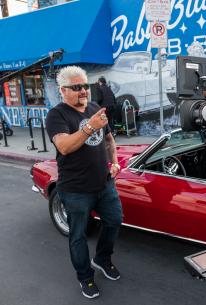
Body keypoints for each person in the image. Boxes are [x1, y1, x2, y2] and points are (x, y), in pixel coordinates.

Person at [46, 66, 123, 299]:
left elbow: (109, 139)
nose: (83, 92)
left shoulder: (93, 109)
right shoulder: (57, 115)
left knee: (114, 221)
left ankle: (102, 259)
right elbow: (64, 146)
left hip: (104, 184)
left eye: (85, 86)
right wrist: (90, 127)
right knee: (77, 236)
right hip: (75, 190)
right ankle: (85, 277)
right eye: (76, 87)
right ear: (63, 90)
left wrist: (115, 162)